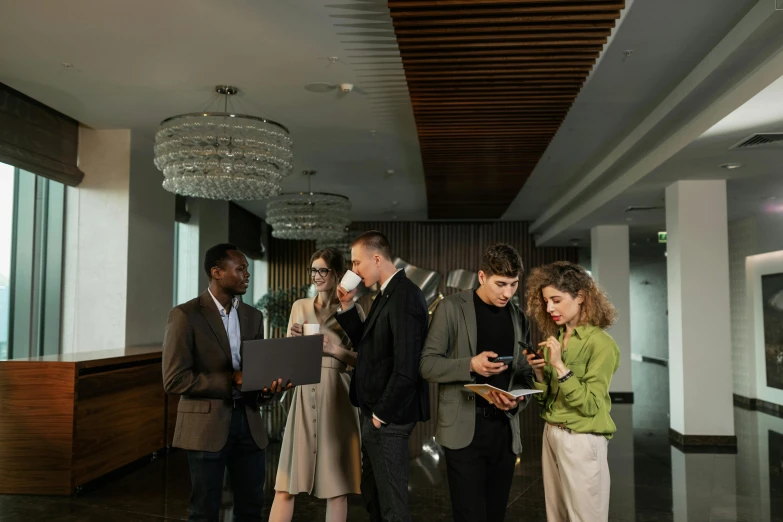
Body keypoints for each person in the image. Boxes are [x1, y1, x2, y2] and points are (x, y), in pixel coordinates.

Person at [162, 243, 290, 522]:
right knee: (204, 511)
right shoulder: (185, 315)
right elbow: (174, 379)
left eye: (247, 268)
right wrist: (231, 379)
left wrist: (269, 388)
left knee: (251, 507)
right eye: (240, 268)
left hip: (249, 423)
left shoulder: (254, 316)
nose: (247, 274)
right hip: (206, 425)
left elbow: (254, 373)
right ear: (216, 272)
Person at [420, 243, 534, 522]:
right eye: (501, 284)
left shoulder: (518, 317)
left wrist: (519, 398)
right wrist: (470, 365)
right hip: (463, 432)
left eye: (514, 284)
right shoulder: (451, 308)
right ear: (482, 277)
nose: (508, 293)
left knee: (495, 515)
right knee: (469, 515)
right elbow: (427, 365)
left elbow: (524, 371)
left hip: (505, 433)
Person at [335, 230, 430, 522]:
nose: (354, 271)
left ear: (376, 258)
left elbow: (407, 365)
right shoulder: (386, 292)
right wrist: (348, 306)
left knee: (392, 506)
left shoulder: (405, 295)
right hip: (375, 412)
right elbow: (369, 344)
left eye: (356, 263)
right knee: (375, 496)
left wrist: (380, 416)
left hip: (388, 417)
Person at [269, 247, 363, 522]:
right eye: (313, 270)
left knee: (337, 486)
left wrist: (334, 349)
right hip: (303, 394)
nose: (317, 276)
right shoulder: (299, 306)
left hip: (338, 397)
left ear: (336, 274)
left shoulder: (353, 311)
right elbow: (288, 359)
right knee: (285, 483)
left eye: (323, 270)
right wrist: (295, 342)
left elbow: (363, 360)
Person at [524, 261, 620, 522]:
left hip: (582, 438)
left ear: (580, 297)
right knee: (557, 515)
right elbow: (546, 401)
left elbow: (589, 404)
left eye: (556, 299)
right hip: (552, 433)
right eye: (545, 301)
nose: (549, 308)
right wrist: (541, 373)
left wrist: (559, 366)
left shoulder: (601, 344)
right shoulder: (553, 340)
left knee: (586, 516)